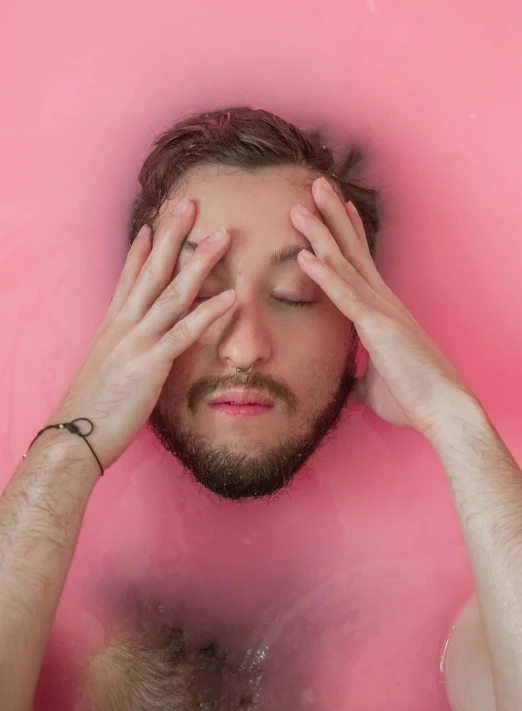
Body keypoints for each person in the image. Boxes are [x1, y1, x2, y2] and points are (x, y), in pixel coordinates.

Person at [0, 106, 518, 710]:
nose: (245, 345)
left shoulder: (461, 586)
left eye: (295, 294)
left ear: (361, 330)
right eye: (197, 294)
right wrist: (71, 445)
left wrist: (454, 417)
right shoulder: (42, 591)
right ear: (131, 321)